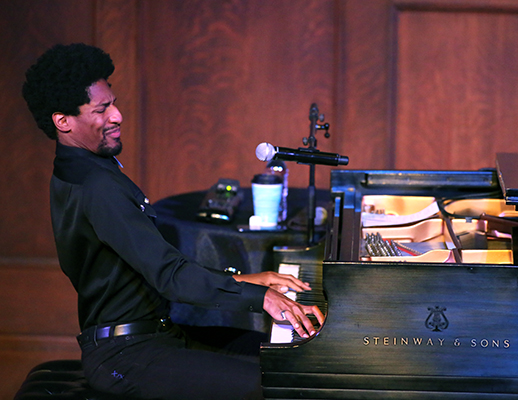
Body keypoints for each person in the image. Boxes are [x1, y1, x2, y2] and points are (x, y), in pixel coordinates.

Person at [22, 43, 324, 400]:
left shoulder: (86, 169)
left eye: (113, 103)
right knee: (278, 383)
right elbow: (169, 276)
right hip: (127, 356)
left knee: (285, 358)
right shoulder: (97, 186)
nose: (117, 116)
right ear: (63, 121)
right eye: (102, 109)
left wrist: (244, 279)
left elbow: (155, 265)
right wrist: (261, 298)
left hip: (159, 336)